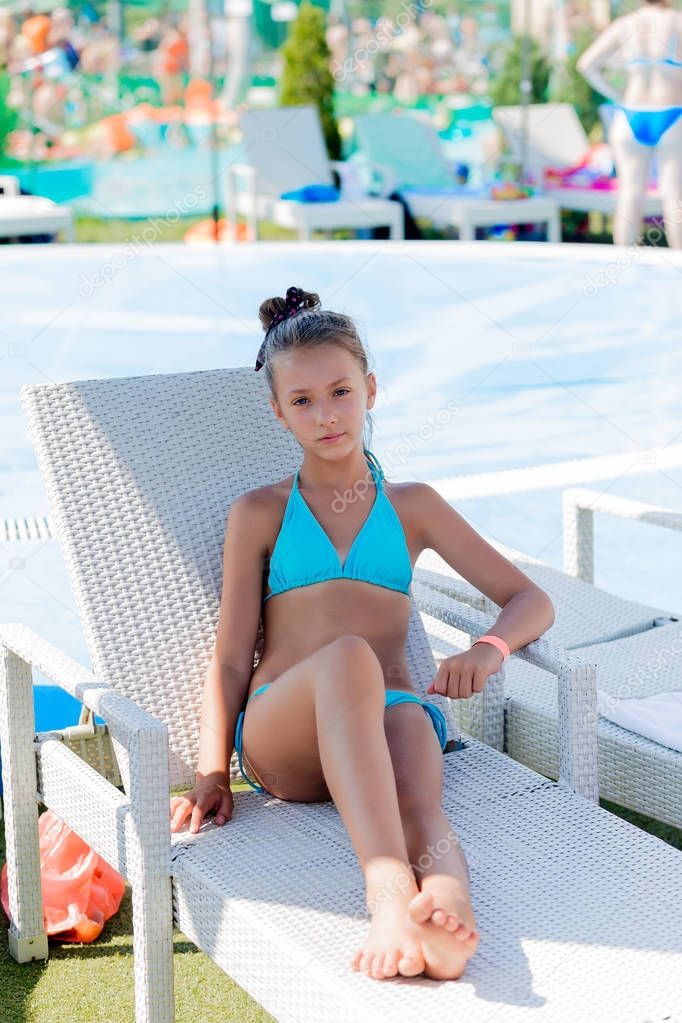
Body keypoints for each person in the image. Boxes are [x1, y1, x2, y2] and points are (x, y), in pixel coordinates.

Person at [169, 286, 555, 982]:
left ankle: (443, 909)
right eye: (304, 400)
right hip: (286, 735)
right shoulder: (261, 512)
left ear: (370, 389)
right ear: (279, 413)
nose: (326, 414)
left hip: (387, 720)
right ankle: (385, 890)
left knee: (421, 788)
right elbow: (230, 657)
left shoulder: (415, 507)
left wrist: (486, 648)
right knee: (349, 656)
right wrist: (209, 769)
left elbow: (529, 598)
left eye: (341, 390)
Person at [576, 0, 682, 248]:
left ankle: (623, 273)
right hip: (672, 113)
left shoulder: (624, 25)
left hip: (630, 114)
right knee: (674, 195)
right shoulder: (677, 21)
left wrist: (616, 95)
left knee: (630, 194)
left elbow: (586, 65)